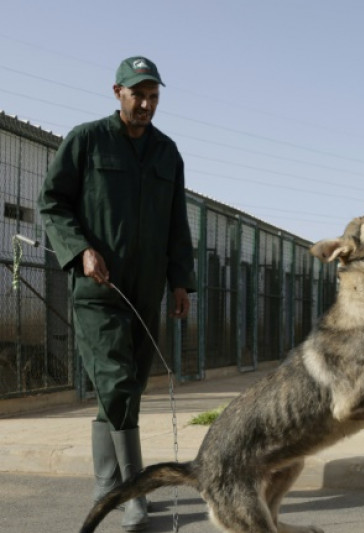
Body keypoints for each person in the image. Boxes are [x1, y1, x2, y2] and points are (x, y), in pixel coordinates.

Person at [38, 56, 196, 532]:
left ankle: (107, 486)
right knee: (117, 383)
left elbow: (177, 225)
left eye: (153, 96)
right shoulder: (86, 140)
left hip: (146, 292)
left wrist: (180, 281)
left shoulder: (168, 152)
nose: (146, 104)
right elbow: (52, 202)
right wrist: (80, 250)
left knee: (127, 392)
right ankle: (133, 492)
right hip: (97, 289)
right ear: (117, 92)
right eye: (137, 95)